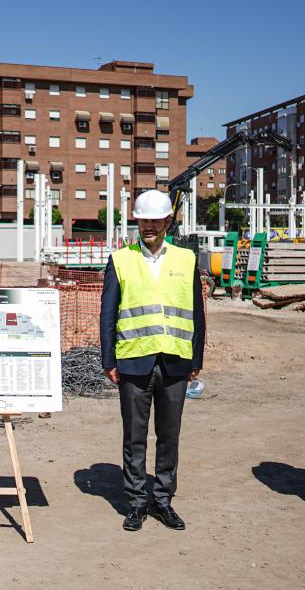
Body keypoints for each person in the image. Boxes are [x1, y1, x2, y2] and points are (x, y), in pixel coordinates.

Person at [100, 190, 205, 532]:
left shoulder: (186, 259)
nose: (148, 226)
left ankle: (163, 500)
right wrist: (108, 360)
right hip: (133, 361)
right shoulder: (121, 259)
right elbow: (108, 315)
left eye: (155, 220)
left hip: (175, 360)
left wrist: (196, 356)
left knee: (169, 436)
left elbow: (197, 311)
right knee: (134, 436)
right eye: (143, 220)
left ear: (167, 222)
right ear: (137, 221)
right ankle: (135, 503)